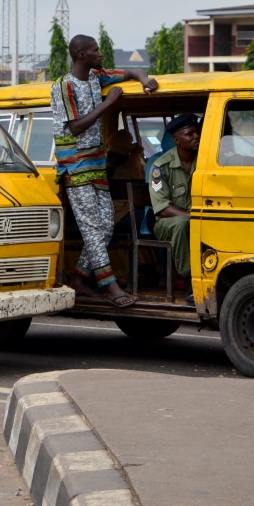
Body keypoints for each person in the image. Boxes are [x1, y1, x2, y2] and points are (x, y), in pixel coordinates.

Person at [51, 34, 158, 307]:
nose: (100, 54)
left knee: (106, 225)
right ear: (81, 55)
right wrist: (108, 104)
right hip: (75, 167)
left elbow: (131, 71)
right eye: (95, 51)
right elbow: (74, 127)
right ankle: (109, 285)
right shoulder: (64, 86)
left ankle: (79, 279)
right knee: (91, 228)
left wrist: (144, 80)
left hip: (96, 165)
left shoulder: (96, 77)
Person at [149, 113, 200, 302]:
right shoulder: (160, 167)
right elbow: (163, 208)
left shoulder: (203, 160)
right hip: (166, 224)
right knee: (180, 223)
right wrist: (194, 217)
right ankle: (189, 281)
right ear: (177, 140)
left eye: (196, 132)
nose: (196, 137)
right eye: (190, 134)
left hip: (195, 219)